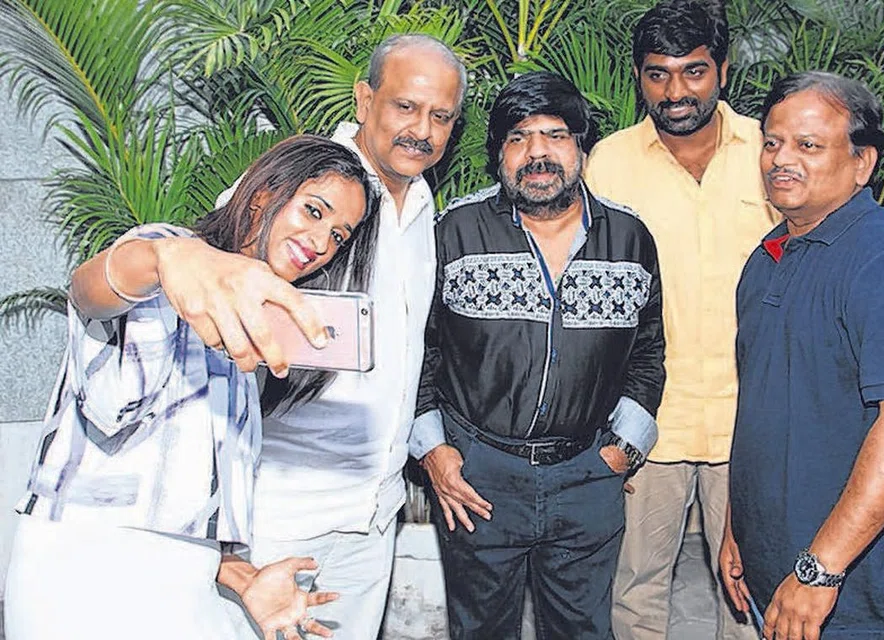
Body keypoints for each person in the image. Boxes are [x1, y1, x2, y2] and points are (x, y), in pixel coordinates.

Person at [3, 135, 380, 640]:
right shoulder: (170, 252)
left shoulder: (244, 339)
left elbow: (176, 495)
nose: (320, 242)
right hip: (86, 566)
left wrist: (243, 577)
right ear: (263, 194)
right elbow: (88, 291)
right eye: (313, 211)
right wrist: (164, 258)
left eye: (338, 235)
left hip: (182, 579)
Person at [197, 33, 463, 638]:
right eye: (405, 106)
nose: (421, 130)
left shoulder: (423, 203)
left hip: (372, 517)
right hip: (276, 517)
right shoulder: (306, 186)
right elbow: (213, 272)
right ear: (365, 100)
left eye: (441, 116)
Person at [409, 70, 666, 639]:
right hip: (478, 477)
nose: (537, 153)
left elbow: (648, 353)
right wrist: (434, 452)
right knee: (480, 631)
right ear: (498, 154)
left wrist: (622, 450)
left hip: (587, 474)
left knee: (582, 631)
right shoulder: (454, 232)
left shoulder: (629, 239)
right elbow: (418, 352)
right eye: (518, 138)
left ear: (582, 147)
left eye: (555, 135)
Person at [719, 71, 884, 640]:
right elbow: (760, 408)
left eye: (809, 145)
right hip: (774, 571)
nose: (782, 159)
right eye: (772, 142)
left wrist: (819, 570)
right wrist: (736, 524)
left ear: (862, 163)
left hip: (849, 588)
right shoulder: (767, 258)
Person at [584, 1, 775, 637]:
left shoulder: (769, 152)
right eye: (658, 74)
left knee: (751, 589)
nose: (675, 92)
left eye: (694, 71)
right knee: (634, 587)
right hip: (644, 422)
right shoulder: (608, 164)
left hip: (751, 421)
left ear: (723, 69)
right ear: (639, 76)